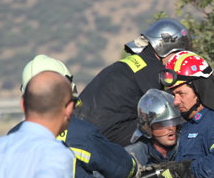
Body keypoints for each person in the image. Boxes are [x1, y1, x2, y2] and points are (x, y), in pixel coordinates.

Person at [75, 18, 191, 146]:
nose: (179, 59)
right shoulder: (154, 72)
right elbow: (165, 110)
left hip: (81, 130)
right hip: (104, 135)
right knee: (165, 130)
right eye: (178, 53)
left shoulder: (135, 63)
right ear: (165, 48)